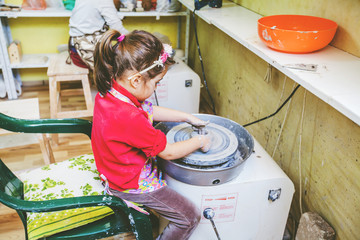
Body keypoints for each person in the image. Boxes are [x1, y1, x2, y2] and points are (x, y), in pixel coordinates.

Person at [91, 29, 212, 240]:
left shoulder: (111, 90)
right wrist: (199, 140)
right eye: (156, 83)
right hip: (129, 184)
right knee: (189, 216)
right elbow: (170, 153)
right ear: (136, 80)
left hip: (114, 169)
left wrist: (187, 117)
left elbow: (149, 110)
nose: (156, 89)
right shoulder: (129, 117)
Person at [68, 0, 129, 69]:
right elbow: (117, 27)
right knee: (120, 67)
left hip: (74, 50)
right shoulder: (104, 1)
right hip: (82, 53)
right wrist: (133, 38)